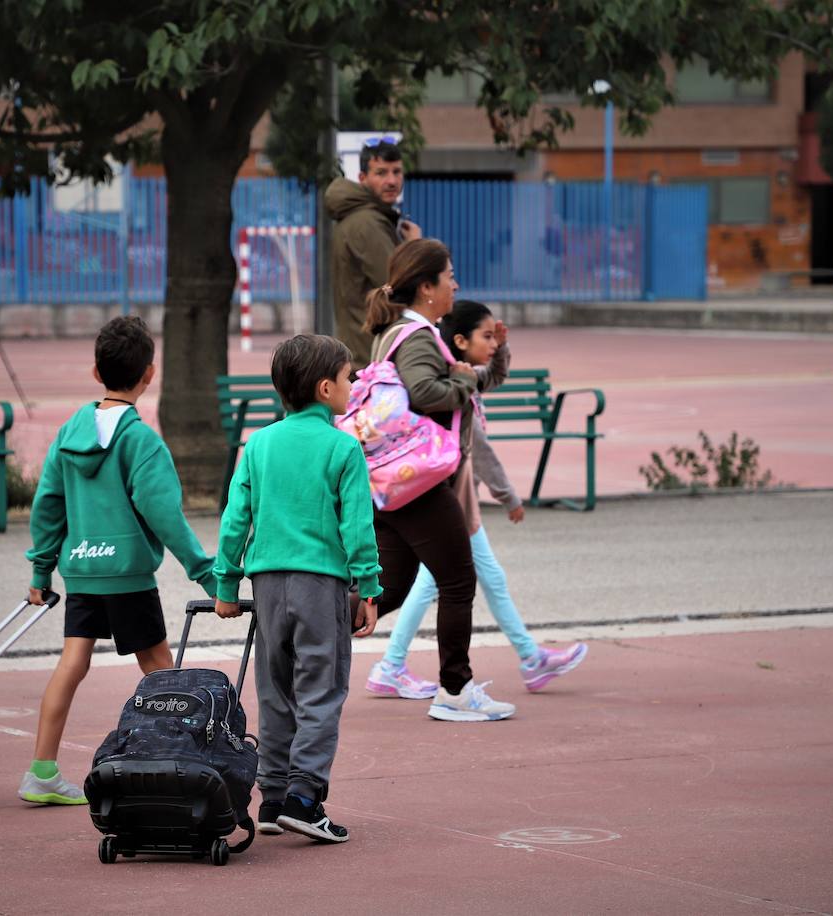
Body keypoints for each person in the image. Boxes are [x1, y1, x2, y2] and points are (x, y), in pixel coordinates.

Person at [18, 316, 217, 804]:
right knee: (162, 673)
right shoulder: (141, 440)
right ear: (150, 374)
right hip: (127, 575)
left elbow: (49, 505)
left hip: (83, 569)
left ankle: (41, 771)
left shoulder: (68, 434)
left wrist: (42, 569)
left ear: (95, 371)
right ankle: (179, 765)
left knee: (72, 662)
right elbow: (164, 514)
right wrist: (206, 572)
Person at [367, 300, 588, 698]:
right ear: (459, 341)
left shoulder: (463, 378)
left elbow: (495, 376)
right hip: (449, 498)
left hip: (452, 497)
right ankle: (409, 668)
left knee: (440, 580)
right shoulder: (454, 384)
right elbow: (479, 448)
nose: (491, 343)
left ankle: (394, 664)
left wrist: (499, 347)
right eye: (484, 337)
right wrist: (508, 496)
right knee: (452, 580)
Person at [214, 334, 381, 843]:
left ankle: (272, 797)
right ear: (325, 387)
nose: (353, 385)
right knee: (322, 688)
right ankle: (306, 800)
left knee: (276, 688)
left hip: (267, 583)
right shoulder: (342, 447)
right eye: (350, 377)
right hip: (319, 583)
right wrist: (368, 587)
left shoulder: (259, 444)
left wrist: (226, 580)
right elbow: (356, 526)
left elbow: (235, 517)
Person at [361, 238, 515, 723]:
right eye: (449, 276)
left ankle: (306, 648)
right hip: (418, 480)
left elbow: (465, 380)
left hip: (391, 478)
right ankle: (455, 689)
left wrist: (490, 362)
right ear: (427, 286)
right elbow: (429, 392)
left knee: (392, 585)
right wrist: (465, 380)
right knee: (457, 579)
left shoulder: (398, 333)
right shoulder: (418, 337)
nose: (455, 283)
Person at [326, 138, 422, 371]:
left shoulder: (370, 216)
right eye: (381, 173)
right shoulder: (367, 222)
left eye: (396, 172)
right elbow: (399, 285)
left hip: (367, 352)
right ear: (362, 178)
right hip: (372, 358)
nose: (391, 181)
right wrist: (416, 247)